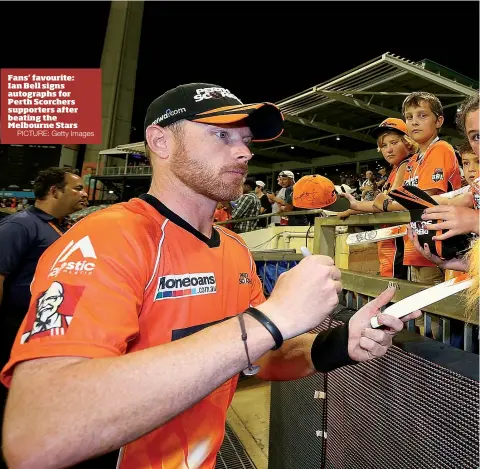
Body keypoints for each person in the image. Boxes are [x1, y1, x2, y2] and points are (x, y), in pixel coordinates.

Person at [0, 83, 420, 469]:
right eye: (221, 135)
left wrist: (338, 343)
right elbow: (37, 435)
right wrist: (271, 319)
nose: (244, 152)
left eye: (246, 139)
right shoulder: (110, 236)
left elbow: (258, 355)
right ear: (160, 141)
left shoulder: (234, 249)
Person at [0, 167, 87, 468]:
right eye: (77, 189)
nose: (84, 193)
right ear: (54, 192)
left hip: (47, 329)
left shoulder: (61, 227)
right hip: (14, 328)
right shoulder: (20, 225)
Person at [337, 118, 419, 279]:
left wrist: (354, 208)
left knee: (396, 291)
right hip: (392, 243)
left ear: (408, 142)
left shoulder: (406, 165)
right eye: (383, 146)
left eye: (394, 143)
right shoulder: (396, 169)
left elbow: (386, 204)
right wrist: (354, 207)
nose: (388, 150)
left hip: (400, 243)